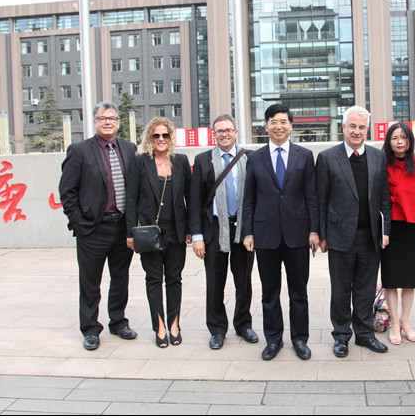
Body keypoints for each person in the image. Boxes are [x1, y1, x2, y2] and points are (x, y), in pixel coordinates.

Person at [242, 104, 319, 361]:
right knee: (269, 293)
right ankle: (273, 339)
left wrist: (314, 230)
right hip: (265, 235)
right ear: (266, 126)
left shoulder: (304, 156)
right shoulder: (255, 158)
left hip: (298, 234)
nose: (278, 126)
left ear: (290, 126)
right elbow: (249, 199)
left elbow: (311, 196)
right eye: (273, 122)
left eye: (283, 122)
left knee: (299, 292)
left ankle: (300, 339)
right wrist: (248, 232)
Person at [59, 102, 139, 350]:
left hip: (122, 227)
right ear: (94, 122)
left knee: (120, 279)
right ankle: (90, 329)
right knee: (90, 282)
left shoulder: (129, 148)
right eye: (102, 118)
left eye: (112, 118)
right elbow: (67, 190)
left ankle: (118, 322)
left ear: (118, 123)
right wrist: (79, 222)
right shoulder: (80, 150)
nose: (107, 122)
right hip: (93, 229)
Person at [316, 106, 392, 358]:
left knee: (366, 288)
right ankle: (341, 335)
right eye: (352, 126)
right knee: (340, 290)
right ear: (343, 127)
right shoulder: (327, 157)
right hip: (339, 235)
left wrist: (385, 230)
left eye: (361, 127)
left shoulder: (378, 157)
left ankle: (365, 333)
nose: (357, 131)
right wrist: (322, 234)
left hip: (370, 236)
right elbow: (321, 199)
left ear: (367, 129)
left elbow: (384, 199)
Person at [189, 114, 258, 350]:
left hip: (243, 229)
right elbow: (196, 200)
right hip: (214, 229)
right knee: (215, 283)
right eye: (220, 131)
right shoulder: (203, 160)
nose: (224, 134)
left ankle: (243, 324)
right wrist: (197, 236)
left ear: (236, 132)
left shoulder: (250, 158)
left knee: (244, 281)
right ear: (214, 134)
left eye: (228, 130)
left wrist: (253, 230)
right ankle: (217, 329)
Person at [125, 118, 192, 348]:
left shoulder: (181, 161)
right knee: (153, 279)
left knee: (174, 279)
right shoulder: (140, 162)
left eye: (165, 135)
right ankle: (160, 327)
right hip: (149, 232)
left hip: (176, 231)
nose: (161, 139)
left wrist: (191, 230)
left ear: (171, 137)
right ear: (150, 138)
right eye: (156, 135)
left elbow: (190, 198)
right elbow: (131, 199)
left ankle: (174, 324)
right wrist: (130, 232)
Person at [380, 122, 415, 345]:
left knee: (409, 279)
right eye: (394, 138)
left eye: (404, 137)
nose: (399, 142)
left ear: (410, 140)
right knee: (390, 279)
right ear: (388, 142)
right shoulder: (381, 164)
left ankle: (406, 321)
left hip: (412, 227)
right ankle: (394, 323)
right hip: (388, 228)